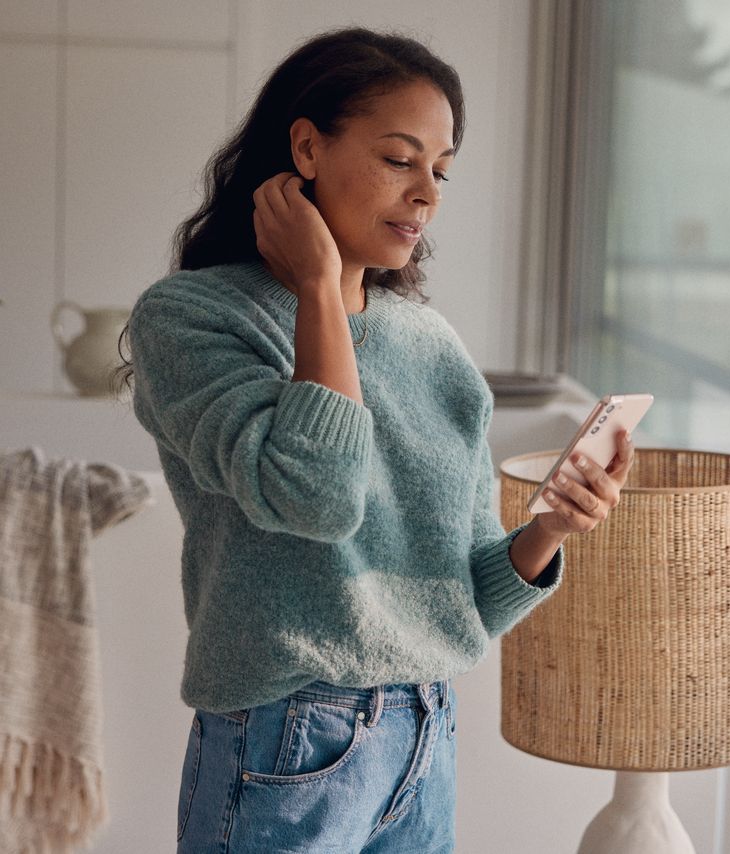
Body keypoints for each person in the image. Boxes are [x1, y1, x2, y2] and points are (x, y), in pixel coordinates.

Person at [117, 26, 635, 853]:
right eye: (400, 159)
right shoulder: (192, 319)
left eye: (441, 169)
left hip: (423, 732)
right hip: (287, 735)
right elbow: (314, 498)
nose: (426, 192)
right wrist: (320, 286)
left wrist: (548, 531)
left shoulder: (431, 345)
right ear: (307, 148)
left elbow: (458, 602)